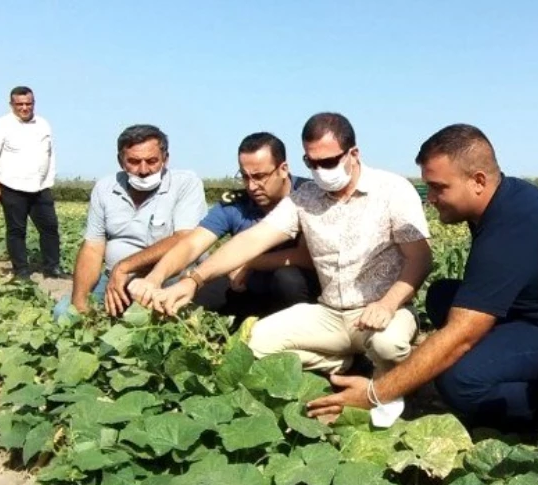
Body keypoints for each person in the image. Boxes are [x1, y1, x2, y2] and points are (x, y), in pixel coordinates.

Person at [305, 124, 538, 431]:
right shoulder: (503, 199)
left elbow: (462, 335)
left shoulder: (512, 230)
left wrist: (375, 393)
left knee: (459, 382)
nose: (430, 197)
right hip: (527, 308)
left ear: (478, 181)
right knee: (441, 295)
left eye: (439, 187)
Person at [148, 112, 432, 379]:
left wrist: (387, 303)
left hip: (384, 309)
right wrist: (193, 280)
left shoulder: (393, 190)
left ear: (353, 154)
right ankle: (339, 362)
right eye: (312, 163)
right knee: (255, 344)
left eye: (328, 162)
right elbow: (252, 239)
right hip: (330, 313)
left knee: (387, 345)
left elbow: (419, 258)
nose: (320, 171)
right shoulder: (306, 197)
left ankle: (390, 386)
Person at [127, 132, 320, 323]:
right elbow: (193, 244)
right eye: (245, 177)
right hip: (245, 286)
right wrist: (155, 277)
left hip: (298, 292)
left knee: (287, 279)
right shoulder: (236, 204)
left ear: (283, 169)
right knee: (193, 296)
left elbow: (306, 256)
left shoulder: (309, 196)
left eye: (260, 176)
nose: (252, 186)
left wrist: (249, 262)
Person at [53, 124, 207, 319]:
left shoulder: (185, 184)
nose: (143, 170)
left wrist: (125, 266)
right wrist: (80, 303)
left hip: (167, 280)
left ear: (165, 159)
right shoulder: (105, 188)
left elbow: (184, 239)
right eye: (134, 162)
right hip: (114, 281)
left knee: (151, 328)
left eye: (152, 161)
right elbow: (92, 248)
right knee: (64, 313)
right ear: (120, 161)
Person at [0, 85, 65, 280]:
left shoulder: (43, 124)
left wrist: (49, 179)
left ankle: (52, 268)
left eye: (28, 103)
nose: (25, 108)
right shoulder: (1, 125)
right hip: (12, 186)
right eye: (20, 104)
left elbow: (50, 154)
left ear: (34, 103)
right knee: (17, 230)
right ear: (12, 104)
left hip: (40, 186)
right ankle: (21, 271)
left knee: (50, 228)